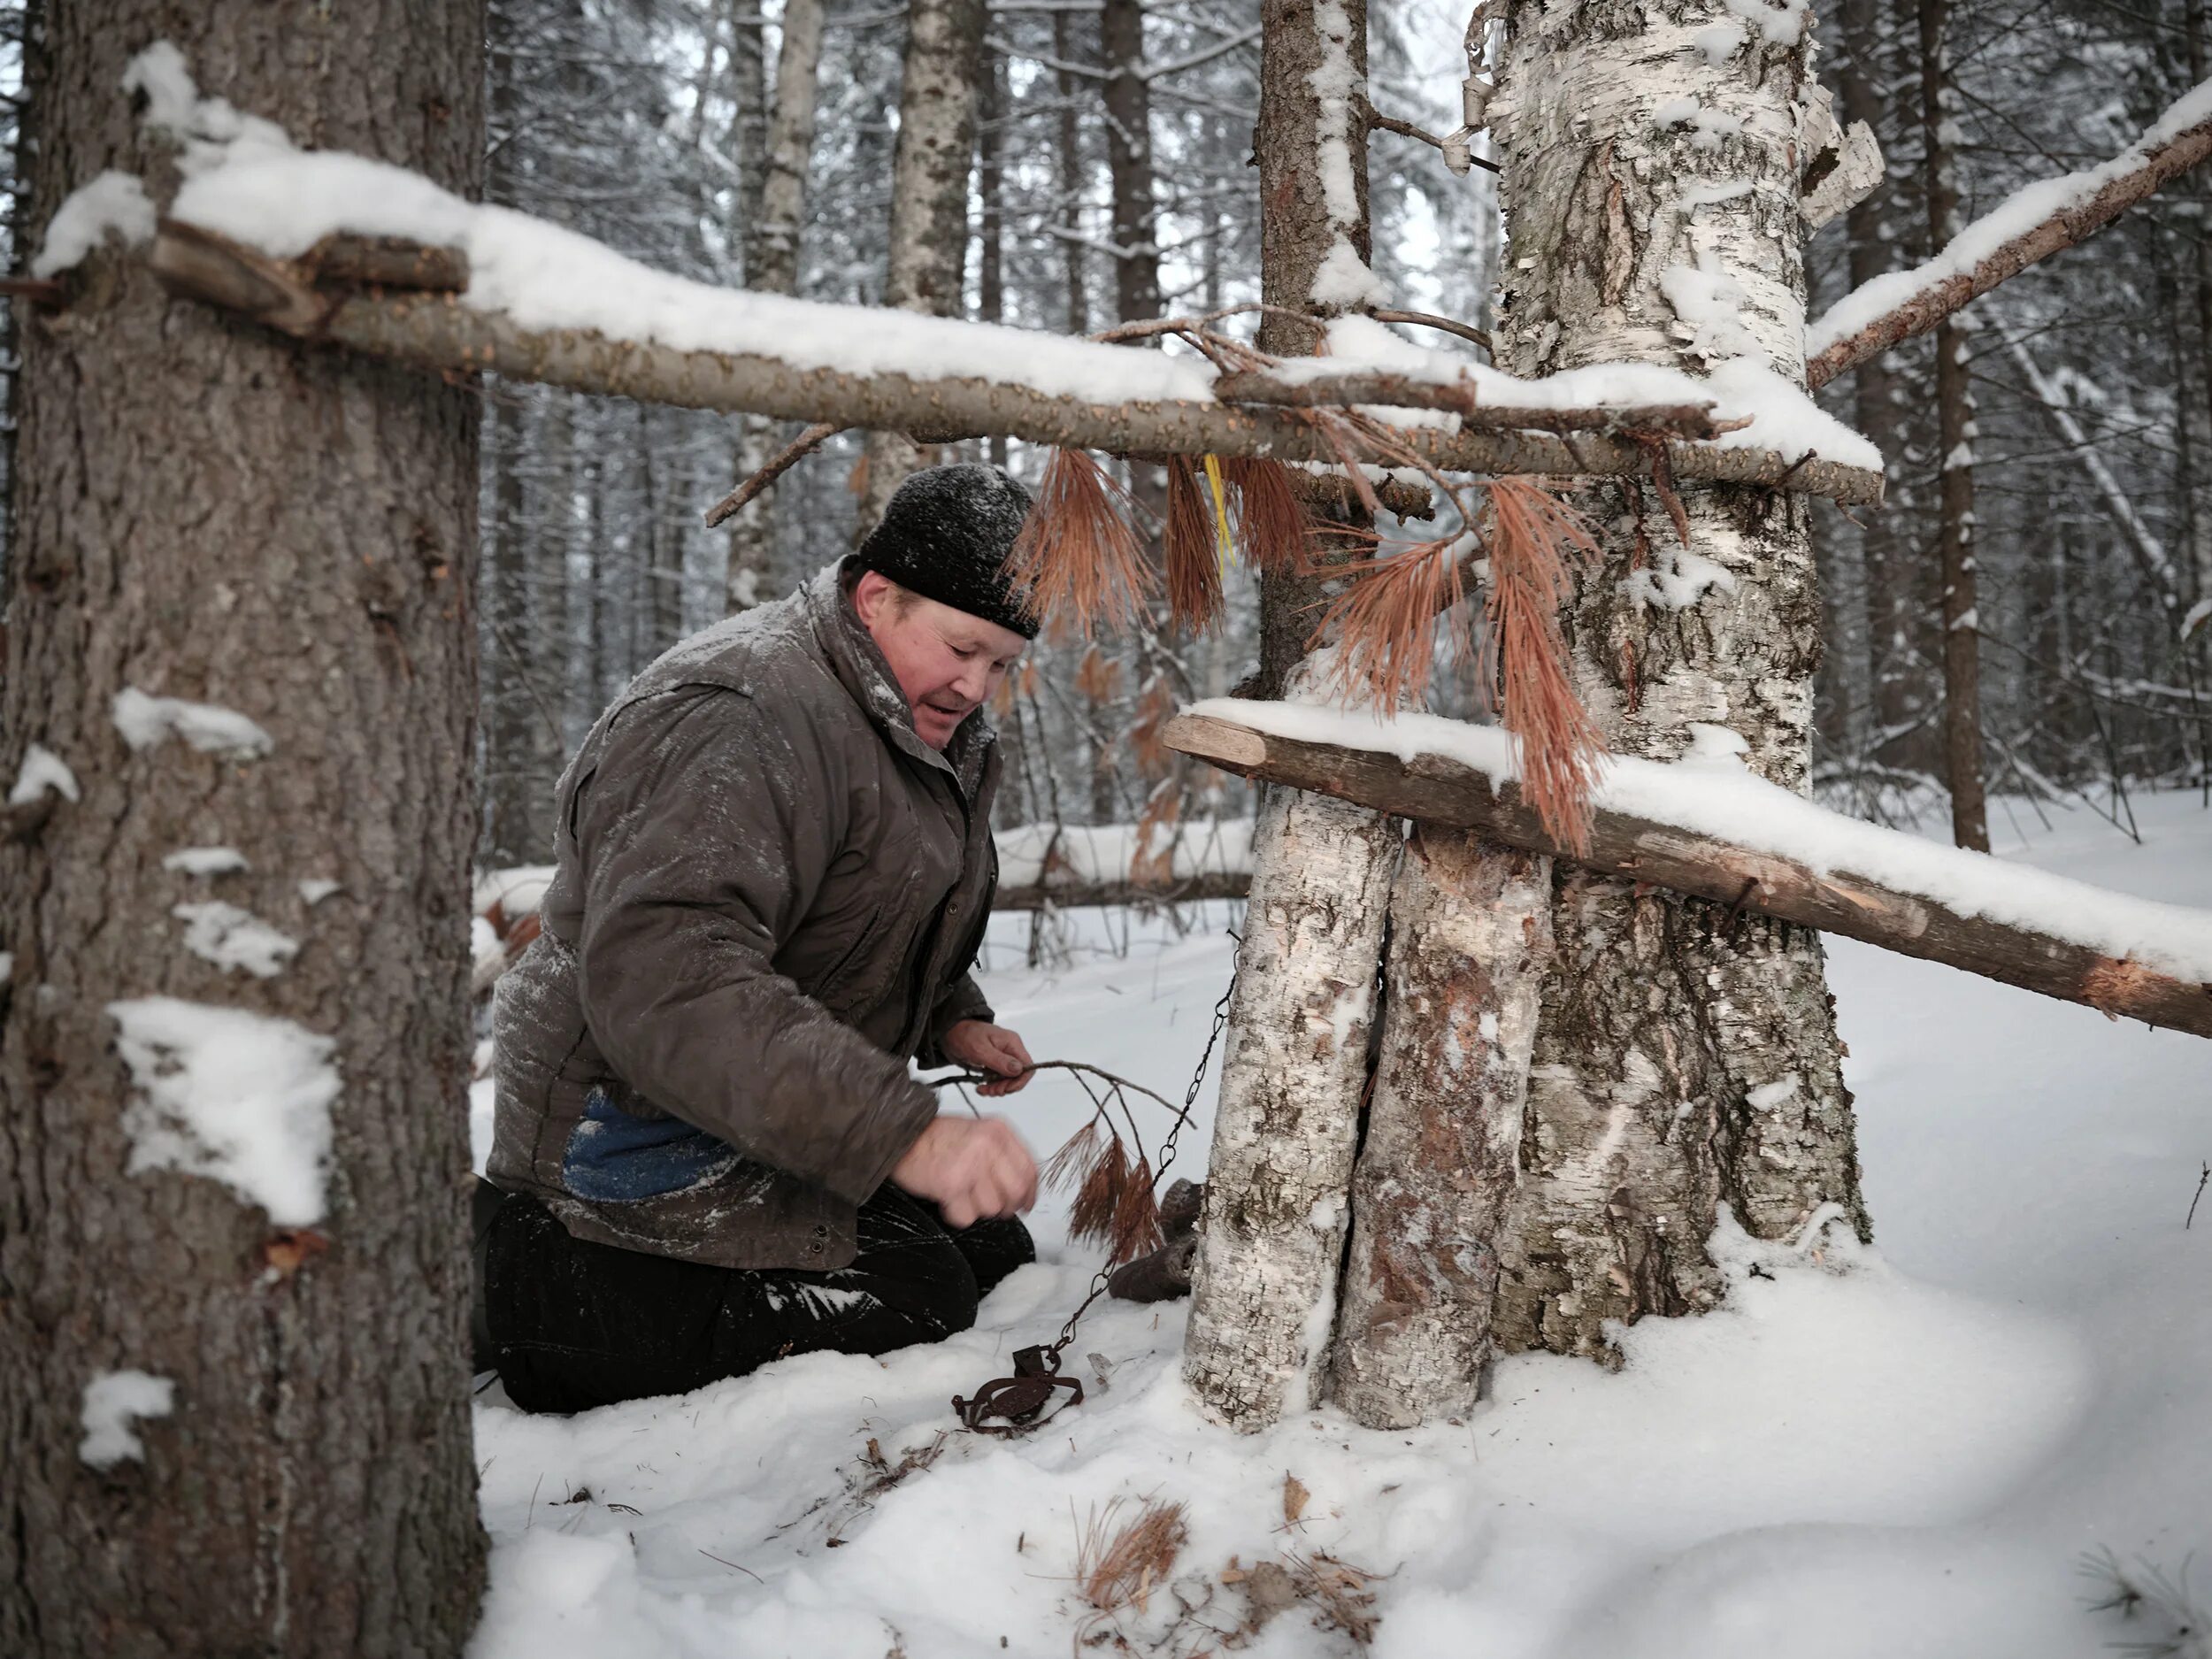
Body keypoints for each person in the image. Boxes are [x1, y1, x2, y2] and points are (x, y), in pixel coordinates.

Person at [478, 463, 1046, 1414]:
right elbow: (672, 982)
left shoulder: (914, 712)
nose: (973, 686)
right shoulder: (739, 716)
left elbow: (873, 893)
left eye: (1002, 664)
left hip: (754, 1108)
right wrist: (894, 1130)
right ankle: (520, 1286)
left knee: (990, 1251)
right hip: (626, 1126)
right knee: (918, 1300)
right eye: (960, 648)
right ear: (875, 598)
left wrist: (950, 1015)